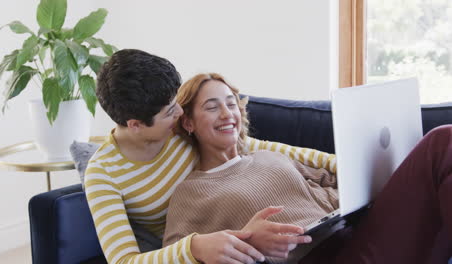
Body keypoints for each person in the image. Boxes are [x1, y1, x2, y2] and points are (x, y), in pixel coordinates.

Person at [163, 72, 452, 264]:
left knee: (443, 146)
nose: (227, 114)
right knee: (441, 140)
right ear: (188, 123)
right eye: (212, 107)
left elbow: (335, 183)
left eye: (231, 104)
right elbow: (180, 254)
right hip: (322, 257)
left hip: (358, 232)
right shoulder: (191, 192)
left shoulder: (267, 157)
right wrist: (250, 242)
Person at [84, 49, 336, 264]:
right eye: (171, 110)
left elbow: (254, 146)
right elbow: (123, 260)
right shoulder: (103, 173)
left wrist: (345, 163)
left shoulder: (178, 131)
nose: (180, 112)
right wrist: (195, 248)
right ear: (136, 125)